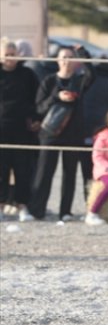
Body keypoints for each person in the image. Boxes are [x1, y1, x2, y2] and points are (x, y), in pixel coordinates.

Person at [29, 46, 94, 221]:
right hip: (50, 134)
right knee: (44, 172)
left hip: (73, 134)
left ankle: (65, 211)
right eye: (63, 57)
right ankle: (37, 210)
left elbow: (90, 75)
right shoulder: (49, 81)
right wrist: (57, 96)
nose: (67, 61)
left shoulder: (79, 81)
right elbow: (39, 107)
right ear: (57, 60)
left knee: (69, 173)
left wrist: (83, 53)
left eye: (70, 57)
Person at [0, 37, 42, 221]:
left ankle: (22, 205)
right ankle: (1, 206)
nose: (10, 58)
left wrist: (37, 119)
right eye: (6, 55)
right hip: (2, 129)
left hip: (23, 130)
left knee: (23, 170)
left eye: (13, 54)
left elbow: (38, 100)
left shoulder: (27, 74)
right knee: (1, 170)